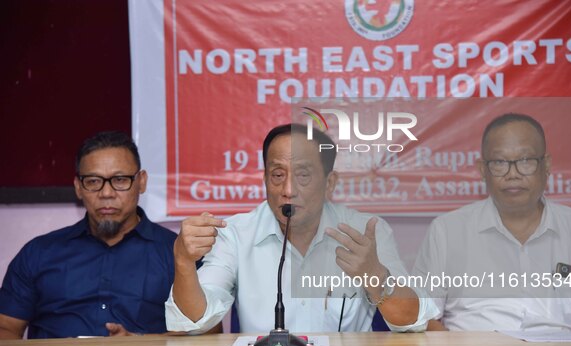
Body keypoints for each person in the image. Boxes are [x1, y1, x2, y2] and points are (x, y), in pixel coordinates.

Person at [166, 123, 436, 334]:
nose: (288, 190)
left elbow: (412, 320)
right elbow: (194, 321)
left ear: (330, 183)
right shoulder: (236, 234)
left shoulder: (365, 232)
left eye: (304, 175)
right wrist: (183, 262)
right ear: (264, 179)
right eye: (278, 175)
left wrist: (375, 277)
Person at [413, 113, 571, 331]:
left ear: (546, 165)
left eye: (526, 161)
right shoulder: (447, 231)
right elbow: (422, 318)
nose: (513, 174)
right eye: (499, 162)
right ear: (482, 170)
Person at [0, 131, 177, 339]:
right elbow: (6, 329)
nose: (106, 193)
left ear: (142, 182)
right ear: (78, 187)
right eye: (93, 181)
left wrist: (141, 344)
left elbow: (207, 332)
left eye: (120, 180)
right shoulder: (39, 253)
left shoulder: (175, 252)